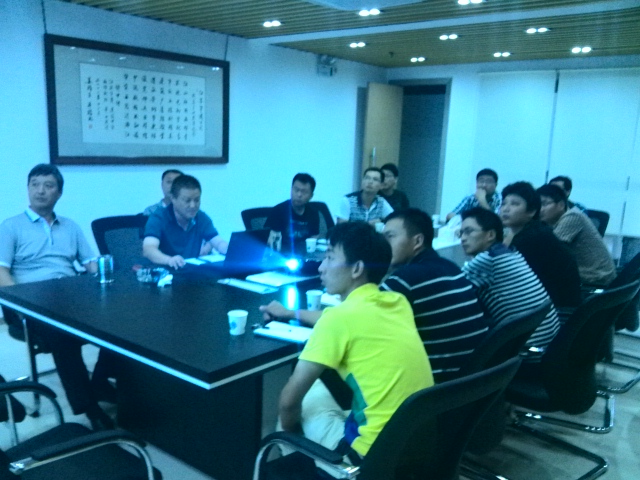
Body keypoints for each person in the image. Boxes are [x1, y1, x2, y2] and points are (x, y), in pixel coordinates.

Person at [277, 222, 433, 462]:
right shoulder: (398, 303)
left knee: (292, 406)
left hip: (369, 461)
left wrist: (291, 433)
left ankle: (302, 463)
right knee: (321, 391)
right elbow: (344, 318)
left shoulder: (337, 319)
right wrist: (291, 313)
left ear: (357, 268)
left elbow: (288, 403)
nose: (321, 267)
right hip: (419, 450)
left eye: (330, 258)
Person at [0, 164, 115, 430]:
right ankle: (89, 407)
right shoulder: (11, 227)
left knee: (120, 323)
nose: (40, 191)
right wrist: (20, 304)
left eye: (48, 185)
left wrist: (108, 283)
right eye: (35, 184)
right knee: (63, 335)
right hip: (34, 304)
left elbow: (90, 264)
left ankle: (100, 382)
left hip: (73, 297)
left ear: (59, 193)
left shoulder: (70, 227)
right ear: (28, 189)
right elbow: (1, 271)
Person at [380, 208, 488, 383]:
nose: (383, 244)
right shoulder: (451, 267)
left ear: (417, 241)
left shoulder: (405, 279)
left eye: (389, 237)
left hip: (435, 386)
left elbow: (359, 323)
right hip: (471, 380)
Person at [459, 207, 561, 362]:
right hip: (548, 345)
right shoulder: (510, 252)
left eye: (469, 232)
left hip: (525, 353)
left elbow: (453, 292)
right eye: (461, 233)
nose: (463, 238)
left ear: (490, 235)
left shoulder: (487, 260)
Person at [500, 181, 581, 311]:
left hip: (554, 311)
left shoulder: (531, 239)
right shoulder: (534, 230)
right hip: (552, 306)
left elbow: (508, 280)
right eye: (503, 203)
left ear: (532, 211)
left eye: (514, 204)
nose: (505, 209)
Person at [538, 184, 616, 287]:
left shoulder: (572, 216)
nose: (540, 209)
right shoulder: (553, 221)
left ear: (561, 205)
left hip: (596, 277)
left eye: (544, 204)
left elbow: (549, 251)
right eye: (537, 205)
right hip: (591, 274)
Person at [143, 174, 228, 268]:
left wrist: (227, 249)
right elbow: (149, 249)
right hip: (164, 271)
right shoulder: (158, 217)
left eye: (197, 200)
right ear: (173, 199)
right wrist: (169, 260)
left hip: (191, 271)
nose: (193, 205)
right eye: (187, 201)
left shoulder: (201, 217)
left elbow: (217, 241)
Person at [264, 173, 320, 255]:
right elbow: (271, 241)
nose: (299, 194)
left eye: (304, 192)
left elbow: (314, 237)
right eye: (296, 190)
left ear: (311, 196)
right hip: (282, 256)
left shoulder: (313, 213)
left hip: (304, 256)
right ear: (291, 189)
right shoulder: (278, 211)